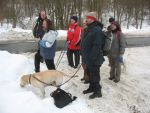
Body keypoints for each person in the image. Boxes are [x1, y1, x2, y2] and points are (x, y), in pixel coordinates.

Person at [81, 12, 105, 99]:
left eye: (88, 18)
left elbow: (97, 46)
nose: (86, 19)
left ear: (93, 19)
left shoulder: (97, 30)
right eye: (86, 18)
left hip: (94, 59)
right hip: (88, 58)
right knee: (90, 75)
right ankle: (91, 88)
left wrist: (91, 58)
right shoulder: (89, 29)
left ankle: (98, 92)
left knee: (95, 76)